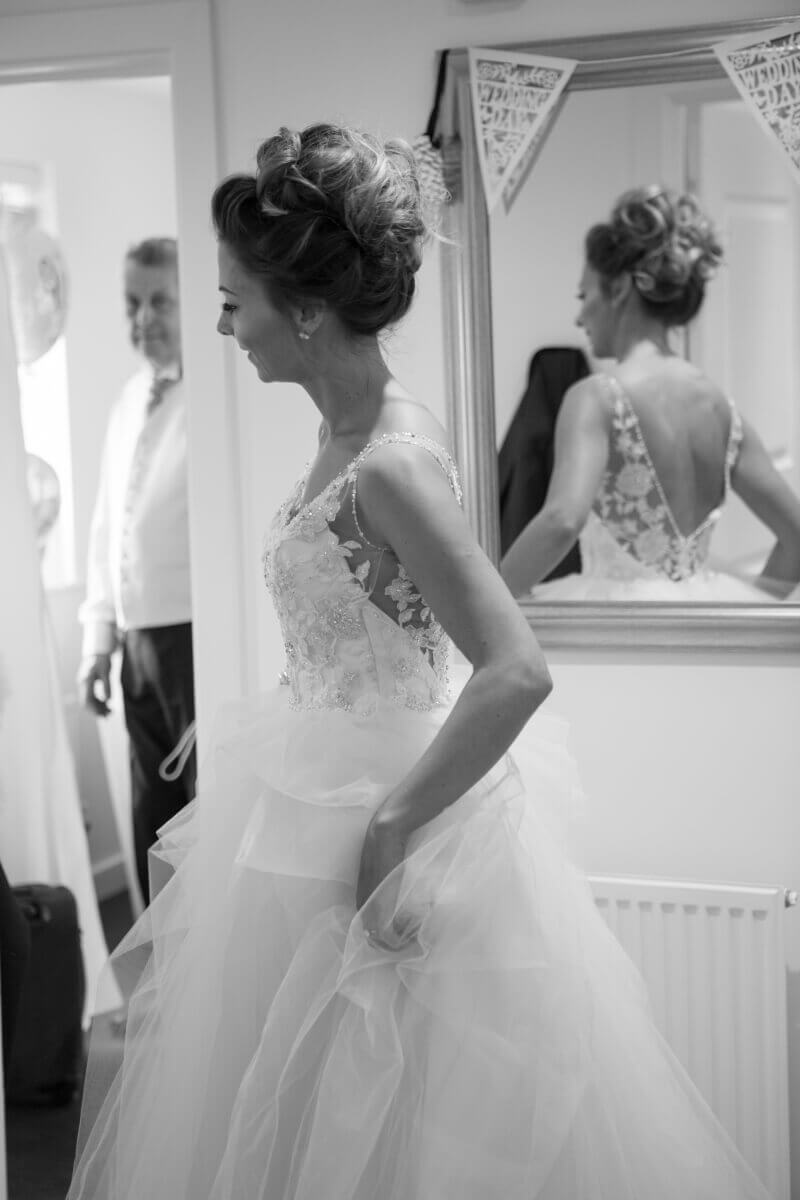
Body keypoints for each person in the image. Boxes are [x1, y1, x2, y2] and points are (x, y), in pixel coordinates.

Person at [68, 128, 771, 1199]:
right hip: (320, 790)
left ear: (302, 310)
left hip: (380, 821)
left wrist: (394, 823)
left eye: (234, 297)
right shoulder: (346, 439)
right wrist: (286, 703)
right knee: (304, 1103)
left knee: (395, 1117)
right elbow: (380, 621)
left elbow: (514, 667)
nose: (224, 322)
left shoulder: (389, 459)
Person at [501, 186, 800, 601]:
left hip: (620, 632)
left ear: (620, 288)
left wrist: (491, 607)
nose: (578, 314)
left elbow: (561, 521)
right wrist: (754, 612)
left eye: (584, 294)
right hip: (703, 626)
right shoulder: (720, 408)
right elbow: (797, 536)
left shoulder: (596, 397)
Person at [77, 237, 196, 903]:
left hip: (190, 637)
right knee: (151, 814)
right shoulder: (128, 401)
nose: (143, 319)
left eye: (159, 301)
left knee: (199, 812)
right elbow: (105, 526)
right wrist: (99, 637)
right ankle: (158, 984)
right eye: (132, 303)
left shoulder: (209, 400)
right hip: (135, 642)